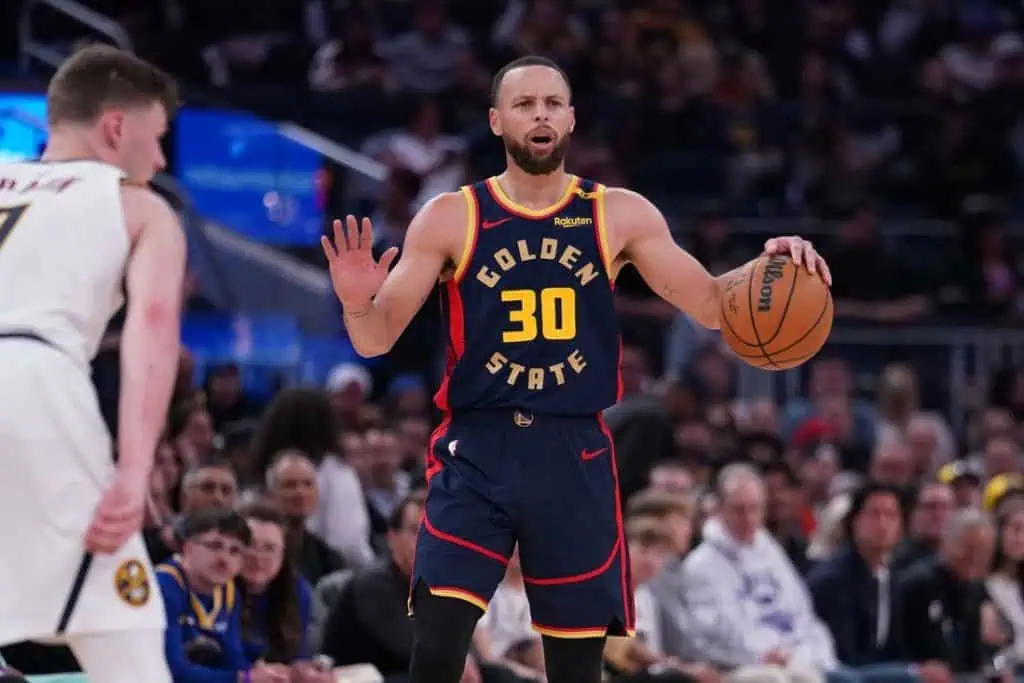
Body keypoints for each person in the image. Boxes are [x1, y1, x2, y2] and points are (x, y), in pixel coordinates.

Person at [320, 54, 831, 683]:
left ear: (569, 118)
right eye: (524, 104)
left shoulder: (618, 212)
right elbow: (375, 340)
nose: (539, 114)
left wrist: (774, 265)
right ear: (497, 120)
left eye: (551, 103)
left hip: (574, 449)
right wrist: (354, 300)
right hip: (479, 444)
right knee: (439, 648)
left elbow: (711, 302)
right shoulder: (453, 215)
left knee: (577, 666)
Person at [0, 45, 185, 683]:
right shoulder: (137, 205)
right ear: (115, 129)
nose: (160, 161)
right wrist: (134, 472)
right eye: (157, 139)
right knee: (127, 636)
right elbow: (153, 332)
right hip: (33, 381)